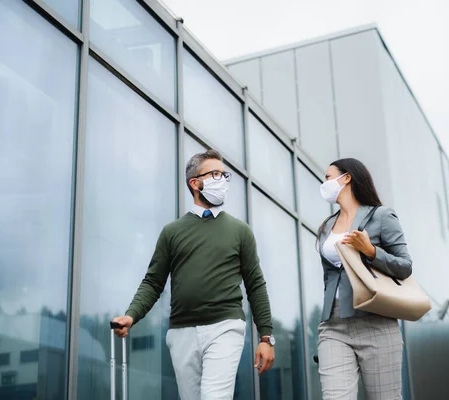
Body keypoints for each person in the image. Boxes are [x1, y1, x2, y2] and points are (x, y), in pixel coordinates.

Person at [112, 149, 275, 399]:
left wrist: (266, 336)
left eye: (224, 174)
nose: (222, 180)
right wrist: (131, 315)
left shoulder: (240, 232)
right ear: (195, 183)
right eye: (215, 174)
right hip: (181, 333)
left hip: (225, 327)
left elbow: (256, 285)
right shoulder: (172, 232)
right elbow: (153, 282)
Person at [315, 158, 412, 400]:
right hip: (333, 324)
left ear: (346, 177)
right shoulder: (327, 225)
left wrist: (371, 251)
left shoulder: (381, 216)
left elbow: (405, 266)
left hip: (375, 322)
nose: (324, 183)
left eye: (328, 177)